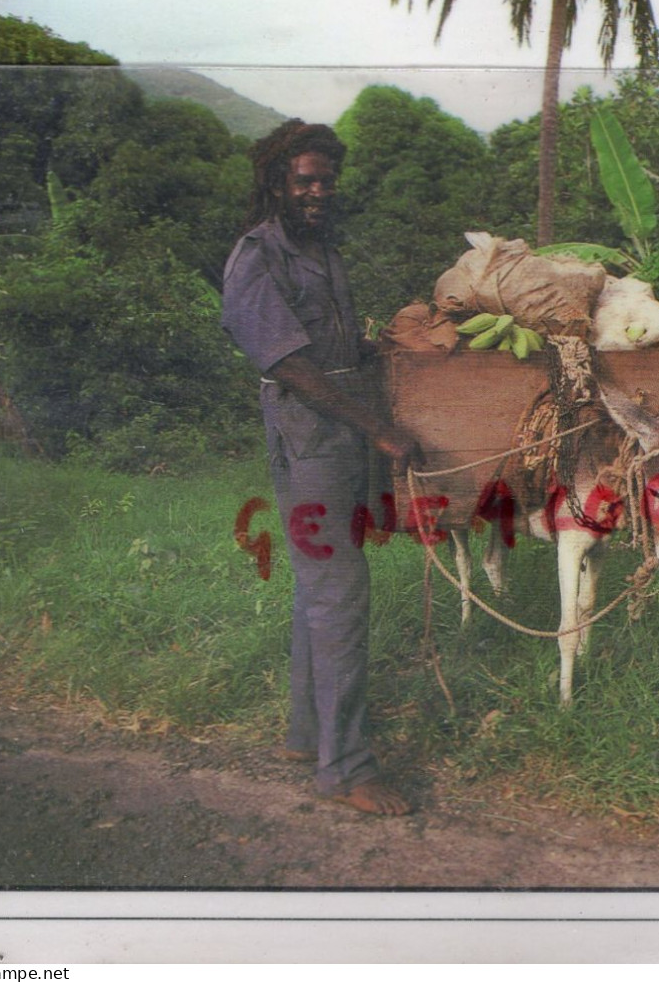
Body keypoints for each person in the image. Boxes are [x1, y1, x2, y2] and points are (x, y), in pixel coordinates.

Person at [222, 119, 416, 816]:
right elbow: (286, 359)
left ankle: (308, 734)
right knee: (339, 588)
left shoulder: (321, 251)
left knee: (319, 586)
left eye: (325, 179)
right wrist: (378, 428)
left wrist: (383, 345)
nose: (316, 190)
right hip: (310, 436)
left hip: (338, 435)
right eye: (304, 178)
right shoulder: (257, 255)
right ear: (277, 181)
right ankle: (347, 768)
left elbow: (333, 344)